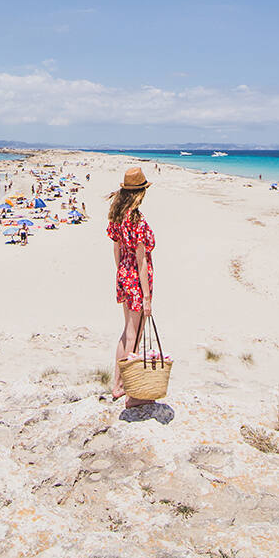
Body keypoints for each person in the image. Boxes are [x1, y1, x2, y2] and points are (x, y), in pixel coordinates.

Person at [107, 167, 155, 405]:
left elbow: (116, 249)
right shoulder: (137, 219)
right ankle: (133, 393)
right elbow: (142, 259)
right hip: (136, 278)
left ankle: (117, 385)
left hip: (123, 274)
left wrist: (121, 272)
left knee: (127, 332)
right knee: (135, 335)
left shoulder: (117, 215)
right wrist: (146, 296)